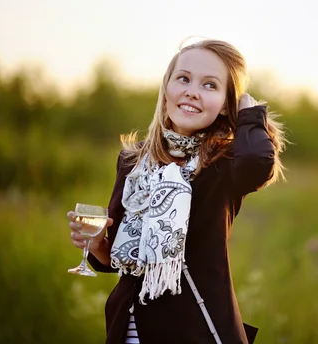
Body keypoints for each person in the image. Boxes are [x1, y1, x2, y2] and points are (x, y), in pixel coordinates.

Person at [67, 39, 286, 344]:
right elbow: (114, 259)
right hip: (129, 329)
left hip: (195, 330)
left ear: (226, 104)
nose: (192, 91)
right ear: (166, 88)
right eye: (183, 78)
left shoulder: (222, 165)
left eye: (210, 85)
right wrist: (95, 244)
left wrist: (249, 110)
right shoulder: (133, 162)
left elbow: (256, 162)